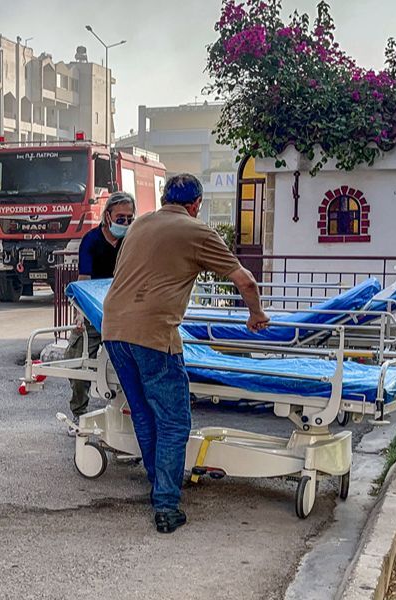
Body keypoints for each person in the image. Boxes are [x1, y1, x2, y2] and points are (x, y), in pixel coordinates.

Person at [102, 174, 269, 534]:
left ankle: (158, 485)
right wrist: (256, 314)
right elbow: (245, 281)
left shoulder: (140, 224)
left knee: (144, 413)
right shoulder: (197, 231)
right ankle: (165, 505)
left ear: (164, 198)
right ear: (196, 204)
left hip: (114, 329)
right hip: (152, 333)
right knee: (174, 420)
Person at [64, 191, 134, 422]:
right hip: (94, 307)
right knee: (77, 355)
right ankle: (79, 411)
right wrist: (80, 315)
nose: (124, 223)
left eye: (129, 219)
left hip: (124, 310)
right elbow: (83, 280)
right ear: (107, 216)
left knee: (131, 362)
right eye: (120, 218)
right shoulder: (92, 240)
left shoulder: (131, 240)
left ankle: (130, 411)